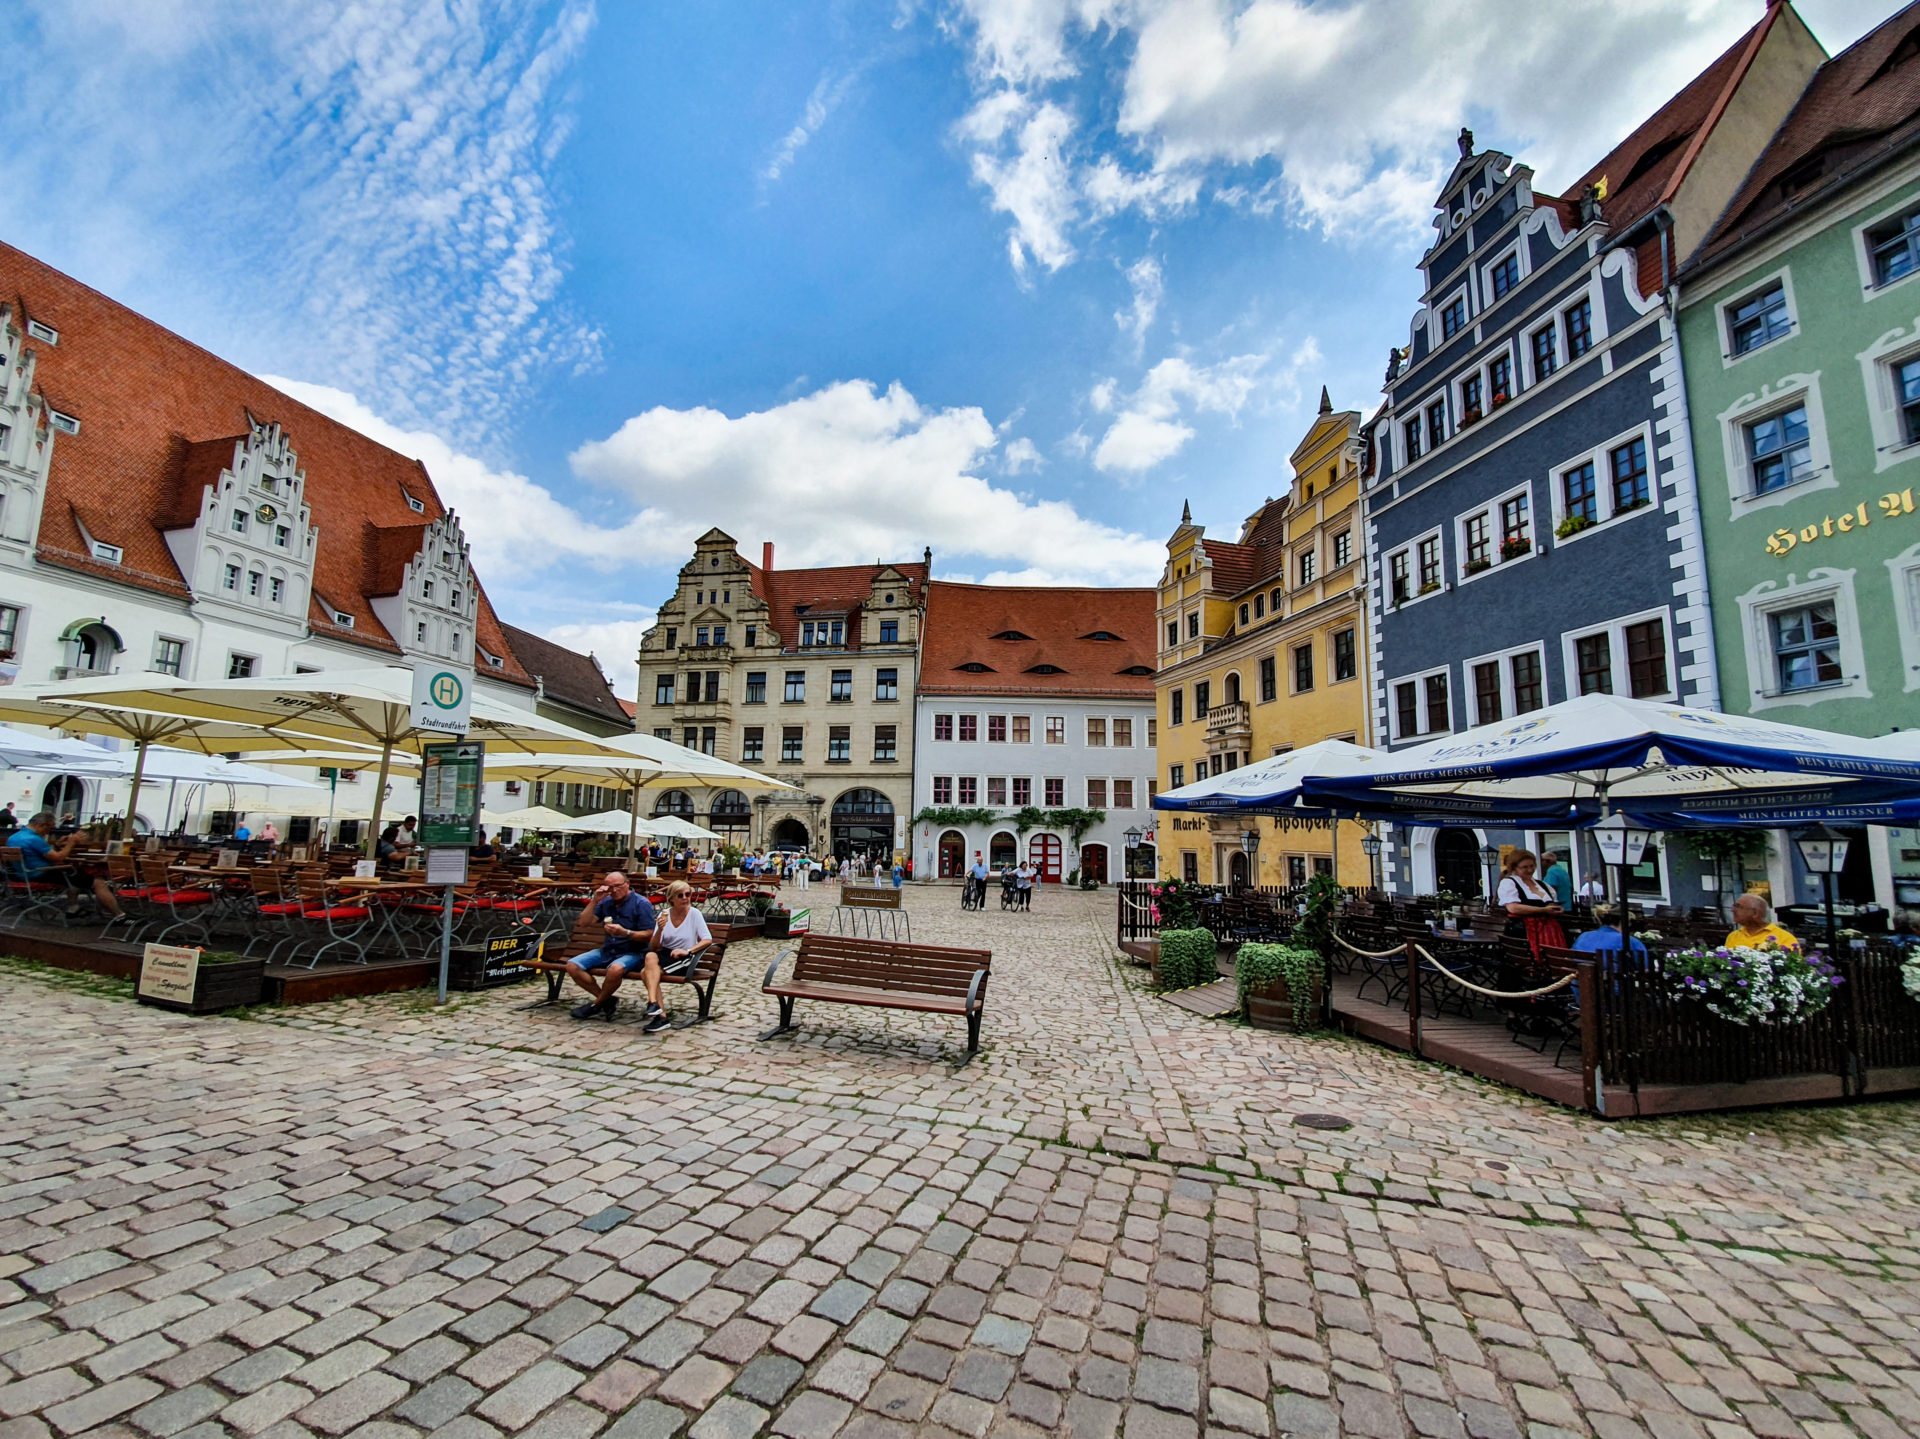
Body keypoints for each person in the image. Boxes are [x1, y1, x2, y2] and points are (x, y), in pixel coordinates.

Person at [564, 871, 658, 1020]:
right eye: (609, 887)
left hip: (633, 952)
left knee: (615, 969)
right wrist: (594, 901)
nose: (613, 891)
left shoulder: (641, 904)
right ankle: (606, 1000)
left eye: (617, 886)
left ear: (627, 885)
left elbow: (649, 935)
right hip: (608, 950)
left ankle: (596, 1005)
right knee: (571, 966)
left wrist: (626, 933)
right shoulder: (606, 902)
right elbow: (583, 922)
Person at [639, 879, 714, 1033]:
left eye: (688, 894)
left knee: (645, 972)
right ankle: (656, 1007)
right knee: (650, 957)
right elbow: (654, 946)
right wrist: (659, 930)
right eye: (680, 895)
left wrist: (688, 951)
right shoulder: (664, 914)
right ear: (671, 898)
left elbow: (707, 939)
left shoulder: (694, 914)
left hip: (685, 957)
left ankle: (659, 1014)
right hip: (666, 954)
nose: (685, 898)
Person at [1497, 848, 1566, 957]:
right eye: (1524, 867)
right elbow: (1513, 908)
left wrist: (1557, 909)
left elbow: (1553, 903)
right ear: (1514, 868)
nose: (1530, 870)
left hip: (1550, 932)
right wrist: (1543, 910)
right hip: (1523, 933)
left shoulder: (1543, 885)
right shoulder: (1509, 883)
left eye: (1532, 866)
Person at [1570, 904, 1648, 964]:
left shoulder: (1584, 936)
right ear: (1624, 922)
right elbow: (1645, 967)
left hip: (1580, 983)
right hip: (1614, 984)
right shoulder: (1627, 940)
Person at [1724, 893, 1800, 950]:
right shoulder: (1733, 936)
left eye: (1738, 907)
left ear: (1755, 913)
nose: (1733, 910)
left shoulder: (1784, 938)